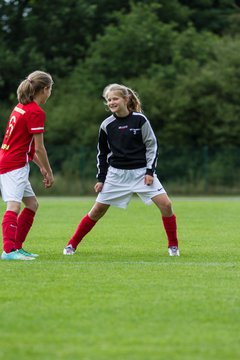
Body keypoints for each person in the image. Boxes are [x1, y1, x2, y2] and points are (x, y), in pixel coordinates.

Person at [63, 83, 180, 257]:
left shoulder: (140, 120)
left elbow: (151, 146)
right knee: (96, 211)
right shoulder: (106, 125)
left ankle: (173, 246)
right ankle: (71, 245)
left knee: (166, 204)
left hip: (142, 173)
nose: (111, 102)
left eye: (115, 98)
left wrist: (149, 172)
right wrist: (101, 179)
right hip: (116, 175)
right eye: (109, 100)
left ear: (126, 99)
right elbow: (101, 154)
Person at [0, 70, 54, 260]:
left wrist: (39, 166)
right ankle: (8, 251)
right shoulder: (35, 112)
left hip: (12, 159)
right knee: (13, 206)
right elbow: (39, 148)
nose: (50, 94)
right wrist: (49, 171)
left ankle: (17, 247)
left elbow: (26, 145)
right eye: (50, 90)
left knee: (31, 204)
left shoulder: (21, 106)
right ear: (45, 89)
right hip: (14, 164)